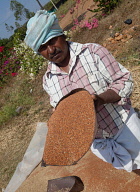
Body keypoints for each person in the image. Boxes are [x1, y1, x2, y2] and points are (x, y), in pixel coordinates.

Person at [24, 10, 140, 172]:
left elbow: (124, 80)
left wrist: (99, 99)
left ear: (61, 35)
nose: (50, 50)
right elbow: (61, 111)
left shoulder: (92, 53)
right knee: (133, 169)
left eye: (52, 41)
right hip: (99, 143)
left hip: (124, 126)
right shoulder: (49, 80)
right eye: (43, 47)